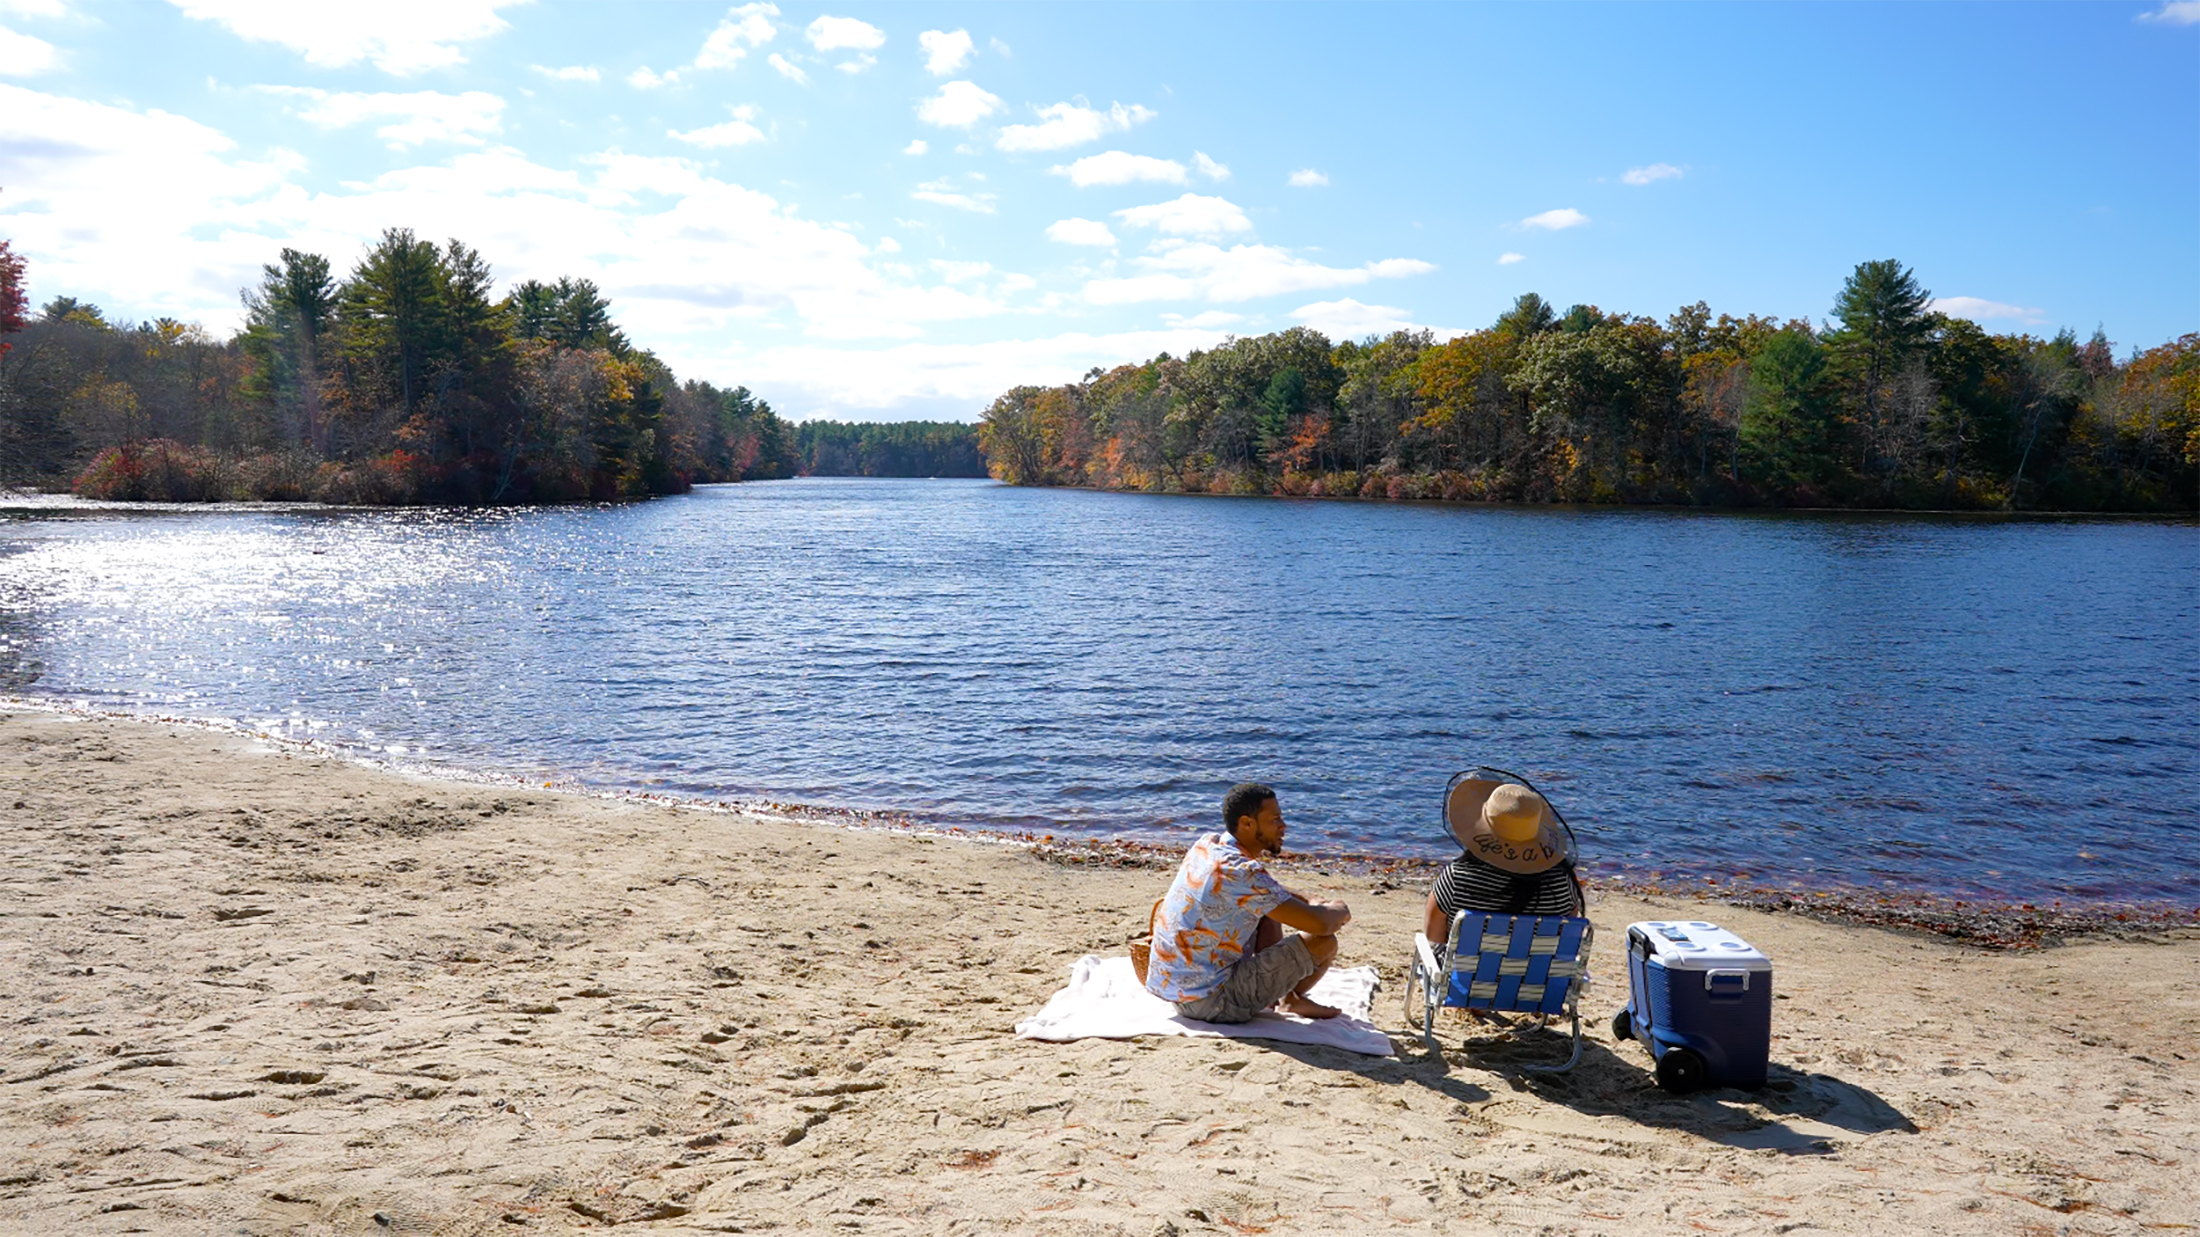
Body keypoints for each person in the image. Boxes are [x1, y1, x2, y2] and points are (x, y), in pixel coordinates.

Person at [1143, 782, 1353, 1023]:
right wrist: (1339, 909)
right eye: (1275, 819)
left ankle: (1288, 998)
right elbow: (1320, 925)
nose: (1283, 826)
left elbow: (1267, 890)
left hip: (1177, 991)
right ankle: (1287, 999)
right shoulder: (1242, 871)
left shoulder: (1208, 844)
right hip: (1213, 1002)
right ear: (1246, 824)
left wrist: (1309, 900)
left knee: (1267, 909)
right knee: (1323, 942)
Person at [1422, 779, 1585, 943]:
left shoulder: (1457, 879)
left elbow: (1434, 937)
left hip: (1466, 968)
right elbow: (1566, 934)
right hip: (1540, 969)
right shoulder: (1562, 882)